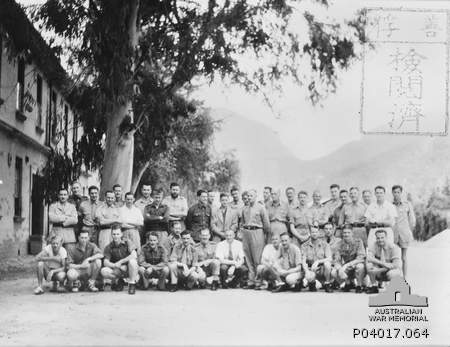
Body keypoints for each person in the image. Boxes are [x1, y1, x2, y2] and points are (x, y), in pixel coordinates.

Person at [240, 189, 270, 289]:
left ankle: (258, 281)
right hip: (246, 232)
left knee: (257, 258)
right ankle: (251, 280)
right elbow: (243, 222)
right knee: (248, 258)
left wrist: (265, 237)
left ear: (256, 196)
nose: (249, 197)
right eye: (248, 196)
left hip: (257, 231)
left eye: (251, 196)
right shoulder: (244, 208)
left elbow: (266, 224)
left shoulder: (261, 208)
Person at [100, 224, 139, 294]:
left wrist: (121, 261)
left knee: (133, 261)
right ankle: (119, 280)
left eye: (117, 234)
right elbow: (105, 262)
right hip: (118, 269)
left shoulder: (127, 242)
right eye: (114, 234)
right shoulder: (109, 247)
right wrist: (115, 265)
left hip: (129, 268)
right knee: (104, 271)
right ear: (111, 235)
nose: (116, 236)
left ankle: (132, 284)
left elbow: (134, 255)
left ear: (121, 234)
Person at [366, 229, 403, 294]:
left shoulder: (393, 247)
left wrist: (379, 270)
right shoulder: (374, 245)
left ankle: (393, 287)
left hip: (389, 271)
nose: (380, 240)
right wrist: (383, 264)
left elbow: (395, 265)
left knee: (393, 273)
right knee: (368, 264)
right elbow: (369, 258)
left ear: (386, 237)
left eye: (382, 238)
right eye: (378, 238)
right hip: (380, 269)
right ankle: (374, 286)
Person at [332, 224, 366, 293]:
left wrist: (346, 265)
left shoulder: (358, 242)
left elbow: (361, 258)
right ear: (342, 233)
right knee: (334, 272)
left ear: (352, 233)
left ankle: (359, 285)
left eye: (348, 232)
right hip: (347, 268)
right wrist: (340, 269)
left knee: (360, 266)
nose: (346, 235)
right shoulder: (339, 244)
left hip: (356, 265)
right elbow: (337, 260)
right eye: (344, 233)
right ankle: (348, 283)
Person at [302, 221, 333, 292]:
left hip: (321, 269)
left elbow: (329, 258)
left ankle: (327, 283)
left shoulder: (325, 244)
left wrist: (318, 261)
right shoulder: (304, 245)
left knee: (327, 264)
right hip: (311, 269)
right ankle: (312, 283)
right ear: (309, 233)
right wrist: (307, 271)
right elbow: (303, 261)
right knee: (309, 277)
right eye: (312, 232)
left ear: (319, 233)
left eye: (316, 232)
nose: (314, 234)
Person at [392, 185, 416, 279]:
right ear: (392, 193)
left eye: (398, 192)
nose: (396, 194)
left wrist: (409, 231)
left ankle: (404, 277)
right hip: (393, 234)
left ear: (401, 193)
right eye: (395, 192)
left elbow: (412, 220)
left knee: (404, 257)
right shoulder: (390, 205)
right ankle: (390, 278)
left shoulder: (407, 204)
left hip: (404, 234)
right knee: (392, 257)